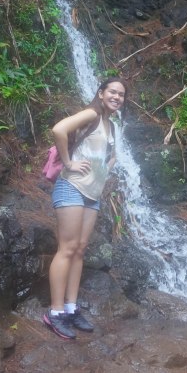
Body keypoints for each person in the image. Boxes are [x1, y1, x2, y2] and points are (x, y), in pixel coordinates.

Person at [43, 78, 126, 339]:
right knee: (67, 248)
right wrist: (68, 162)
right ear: (101, 94)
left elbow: (110, 158)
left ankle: (71, 307)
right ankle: (54, 313)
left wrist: (102, 173)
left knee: (79, 250)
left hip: (92, 195)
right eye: (112, 91)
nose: (117, 97)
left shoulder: (111, 126)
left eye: (121, 94)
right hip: (72, 188)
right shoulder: (92, 113)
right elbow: (59, 129)